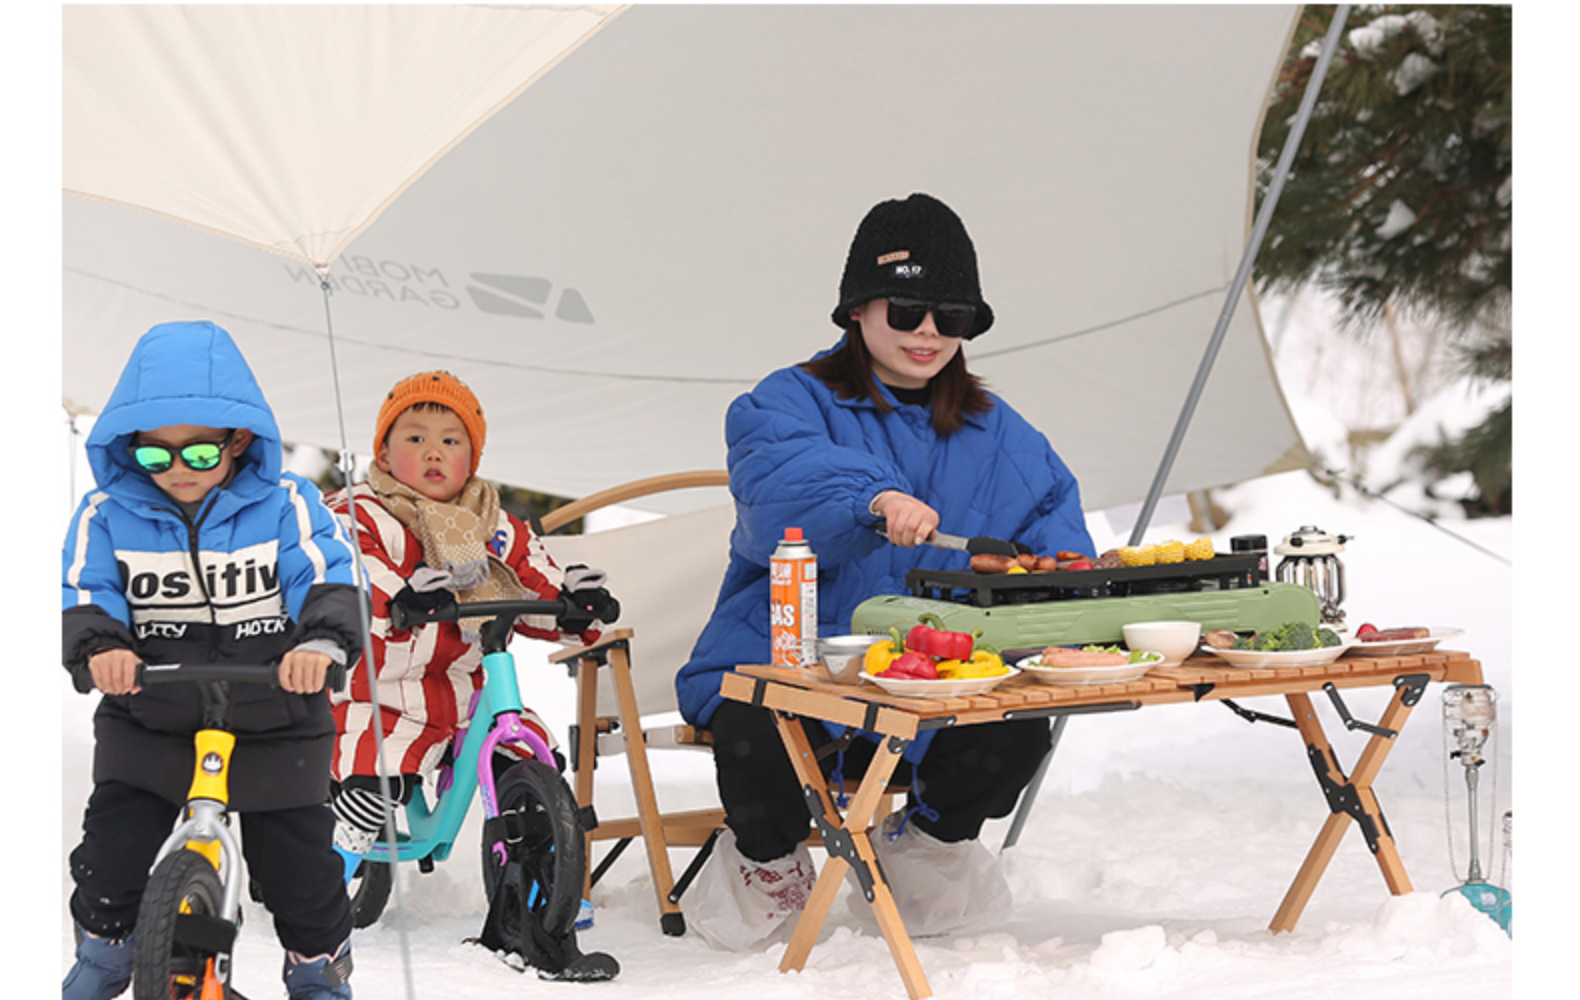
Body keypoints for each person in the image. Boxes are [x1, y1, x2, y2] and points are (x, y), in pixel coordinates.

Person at [676, 193, 1096, 950]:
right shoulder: (786, 400)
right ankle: (768, 869)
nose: (928, 331)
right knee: (755, 736)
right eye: (906, 310)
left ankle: (925, 852)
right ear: (857, 311)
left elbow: (1056, 538)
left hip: (935, 683)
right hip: (789, 662)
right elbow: (777, 486)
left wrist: (1063, 585)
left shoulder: (1000, 433)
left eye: (952, 316)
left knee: (1018, 727)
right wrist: (871, 497)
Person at [61, 321, 365, 1000]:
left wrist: (319, 643)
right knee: (110, 857)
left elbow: (327, 573)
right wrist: (102, 647)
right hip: (151, 717)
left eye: (200, 454)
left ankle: (317, 967)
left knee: (300, 874)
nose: (178, 470)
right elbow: (85, 590)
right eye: (155, 455)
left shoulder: (287, 504)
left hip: (277, 717)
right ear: (128, 447)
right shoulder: (106, 514)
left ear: (239, 441)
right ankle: (106, 952)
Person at [322, 371, 619, 977]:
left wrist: (571, 603)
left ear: (472, 459)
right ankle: (326, 880)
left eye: (451, 441)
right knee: (372, 772)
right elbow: (348, 562)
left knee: (524, 751)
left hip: (465, 693)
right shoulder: (362, 512)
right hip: (383, 691)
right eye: (415, 438)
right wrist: (400, 594)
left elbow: (531, 578)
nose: (434, 452)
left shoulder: (492, 522)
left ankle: (545, 881)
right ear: (384, 454)